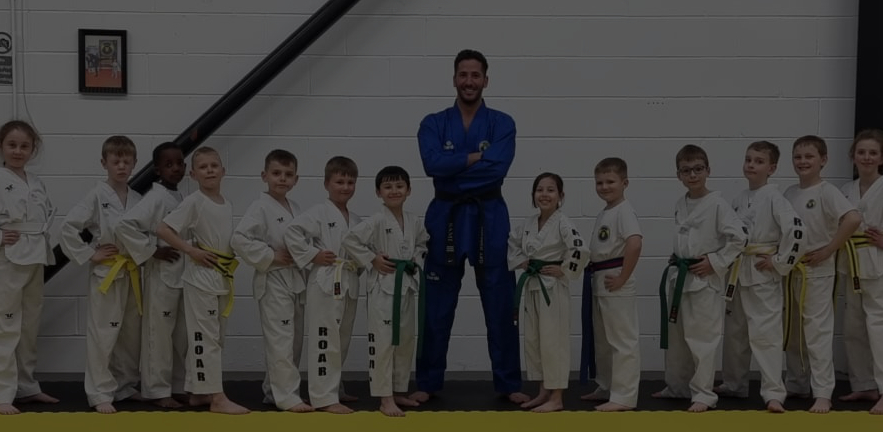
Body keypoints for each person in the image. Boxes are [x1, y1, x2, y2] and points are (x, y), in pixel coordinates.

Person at [413, 48, 526, 404]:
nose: (469, 81)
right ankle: (427, 381)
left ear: (486, 80)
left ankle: (509, 383)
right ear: (454, 79)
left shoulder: (502, 123)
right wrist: (475, 157)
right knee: (436, 306)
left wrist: (453, 167)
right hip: (445, 215)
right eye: (463, 74)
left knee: (499, 303)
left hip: (488, 215)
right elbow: (432, 165)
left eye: (475, 75)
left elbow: (496, 169)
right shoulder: (433, 123)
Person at [652, 145, 747, 412]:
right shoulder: (680, 203)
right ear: (678, 175)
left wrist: (714, 262)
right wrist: (677, 256)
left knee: (702, 340)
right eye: (686, 170)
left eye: (698, 169)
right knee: (677, 339)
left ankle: (704, 394)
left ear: (708, 170)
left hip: (704, 282)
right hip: (680, 277)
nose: (692, 175)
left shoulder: (718, 204)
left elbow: (740, 238)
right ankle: (677, 386)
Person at [156, 146, 249, 415]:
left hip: (219, 276)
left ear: (223, 171)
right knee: (206, 338)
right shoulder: (194, 201)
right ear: (193, 174)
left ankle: (198, 392)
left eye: (214, 166)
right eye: (203, 167)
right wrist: (191, 250)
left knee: (215, 338)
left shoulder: (226, 203)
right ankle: (217, 397)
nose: (209, 171)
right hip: (200, 279)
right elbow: (163, 228)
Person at [715, 141, 803, 413]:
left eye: (759, 161)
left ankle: (773, 392)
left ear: (772, 168)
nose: (751, 165)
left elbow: (797, 232)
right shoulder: (739, 198)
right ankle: (734, 383)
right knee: (735, 333)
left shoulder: (775, 198)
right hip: (738, 272)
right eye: (748, 159)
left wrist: (780, 262)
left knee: (766, 335)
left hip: (763, 274)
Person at [60, 136, 143, 414]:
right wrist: (89, 254)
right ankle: (99, 392)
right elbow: (68, 228)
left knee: (129, 334)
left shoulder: (138, 199)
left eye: (126, 161)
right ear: (103, 163)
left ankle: (124, 385)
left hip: (131, 271)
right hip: (107, 272)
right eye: (115, 161)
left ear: (134, 164)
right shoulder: (96, 195)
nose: (121, 166)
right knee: (104, 333)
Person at [342, 166, 428, 417]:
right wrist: (372, 259)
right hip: (383, 287)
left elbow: (423, 243)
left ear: (409, 190)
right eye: (388, 187)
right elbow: (350, 240)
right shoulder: (376, 220)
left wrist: (414, 260)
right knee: (384, 343)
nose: (394, 191)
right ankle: (384, 397)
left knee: (405, 341)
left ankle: (398, 390)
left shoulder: (413, 220)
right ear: (378, 192)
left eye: (399, 186)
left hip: (406, 285)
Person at [783, 135, 860, 414]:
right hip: (792, 270)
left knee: (817, 332)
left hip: (818, 271)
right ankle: (797, 383)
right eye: (798, 157)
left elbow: (853, 218)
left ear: (823, 160)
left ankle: (824, 392)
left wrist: (829, 249)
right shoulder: (790, 193)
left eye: (809, 157)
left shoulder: (827, 191)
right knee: (793, 331)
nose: (803, 161)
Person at [230, 149, 312, 413]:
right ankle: (286, 396)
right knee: (281, 339)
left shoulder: (295, 207)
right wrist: (270, 255)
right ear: (264, 176)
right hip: (274, 279)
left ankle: (273, 390)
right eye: (276, 173)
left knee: (294, 340)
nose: (282, 179)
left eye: (288, 174)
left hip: (295, 280)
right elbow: (239, 239)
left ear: (296, 179)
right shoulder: (260, 207)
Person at [285, 156, 361, 414]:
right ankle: (323, 398)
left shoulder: (356, 219)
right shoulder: (318, 212)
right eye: (339, 181)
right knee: (325, 337)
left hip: (348, 280)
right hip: (327, 280)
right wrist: (312, 255)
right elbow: (292, 232)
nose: (345, 187)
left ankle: (334, 388)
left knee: (342, 338)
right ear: (327, 183)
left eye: (350, 182)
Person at [507, 172, 589, 413]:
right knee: (534, 340)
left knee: (554, 342)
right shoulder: (528, 224)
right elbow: (512, 243)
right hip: (533, 284)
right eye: (540, 190)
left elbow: (581, 249)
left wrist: (564, 269)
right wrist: (522, 261)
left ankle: (557, 396)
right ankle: (543, 391)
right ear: (533, 195)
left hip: (553, 289)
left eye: (551, 190)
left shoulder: (563, 222)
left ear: (560, 196)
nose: (544, 194)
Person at [115, 142, 187, 409]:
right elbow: (125, 225)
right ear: (157, 169)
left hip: (181, 274)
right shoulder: (155, 197)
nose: (175, 168)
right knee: (159, 335)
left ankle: (178, 386)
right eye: (168, 164)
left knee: (181, 336)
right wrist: (152, 251)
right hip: (161, 277)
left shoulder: (180, 197)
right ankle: (157, 390)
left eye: (179, 163)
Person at [0, 120, 59, 415]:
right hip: (8, 259)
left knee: (29, 326)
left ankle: (26, 386)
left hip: (35, 255)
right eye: (12, 145)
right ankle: (3, 392)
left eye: (24, 146)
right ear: (1, 147)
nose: (18, 151)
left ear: (33, 150)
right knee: (7, 326)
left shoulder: (36, 182)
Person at [580, 158, 642, 412]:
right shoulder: (607, 211)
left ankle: (624, 396)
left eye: (610, 182)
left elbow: (635, 244)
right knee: (604, 340)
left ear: (625, 183)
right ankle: (606, 386)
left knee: (622, 340)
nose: (604, 187)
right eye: (600, 182)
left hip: (616, 278)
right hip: (601, 278)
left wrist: (623, 277)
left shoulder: (625, 210)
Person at [836, 129, 883, 415]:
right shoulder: (845, 190)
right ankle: (864, 384)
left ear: (881, 158)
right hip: (850, 262)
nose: (867, 157)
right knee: (853, 327)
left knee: (878, 327)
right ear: (853, 156)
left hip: (878, 263)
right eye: (861, 152)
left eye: (873, 153)